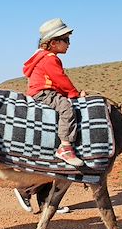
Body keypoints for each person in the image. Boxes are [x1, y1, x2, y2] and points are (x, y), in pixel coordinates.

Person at [23, 17, 86, 166]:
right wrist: (74, 94)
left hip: (41, 91)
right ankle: (65, 147)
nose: (69, 44)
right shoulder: (50, 58)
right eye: (66, 40)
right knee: (67, 108)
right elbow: (61, 79)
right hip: (44, 92)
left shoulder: (42, 57)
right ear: (53, 43)